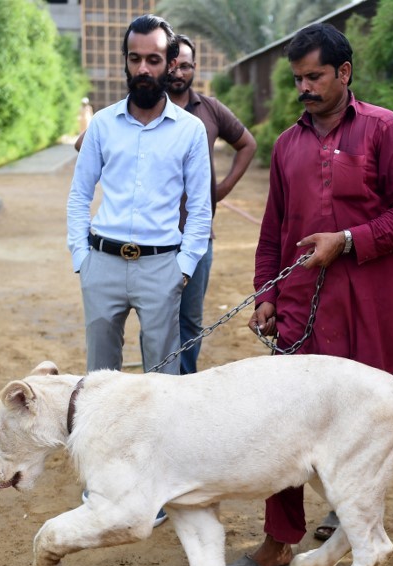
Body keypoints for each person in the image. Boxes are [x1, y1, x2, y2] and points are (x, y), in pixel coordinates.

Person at [225, 23, 393, 566]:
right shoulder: (288, 144)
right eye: (297, 79)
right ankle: (276, 542)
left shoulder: (385, 131)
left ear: (343, 73)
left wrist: (346, 241)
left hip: (373, 306)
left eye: (314, 76)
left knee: (360, 425)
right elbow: (273, 231)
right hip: (301, 309)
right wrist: (266, 292)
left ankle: (352, 524)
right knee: (281, 424)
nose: (305, 88)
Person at [67, 14, 211, 378]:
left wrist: (185, 265)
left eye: (153, 59)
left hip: (162, 267)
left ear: (171, 64)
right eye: (135, 59)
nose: (143, 68)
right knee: (99, 382)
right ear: (126, 62)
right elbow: (79, 194)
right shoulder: (101, 124)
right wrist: (82, 258)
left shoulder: (190, 131)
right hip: (102, 264)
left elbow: (199, 206)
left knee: (163, 384)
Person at [167, 35, 257, 374]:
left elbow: (247, 144)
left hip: (198, 235)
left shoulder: (210, 109)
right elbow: (88, 144)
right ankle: (158, 384)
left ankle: (183, 383)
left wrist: (221, 189)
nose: (178, 71)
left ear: (195, 69)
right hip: (153, 237)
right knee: (158, 316)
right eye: (172, 63)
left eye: (186, 65)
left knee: (189, 319)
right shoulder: (143, 106)